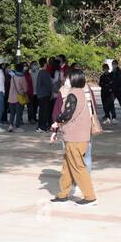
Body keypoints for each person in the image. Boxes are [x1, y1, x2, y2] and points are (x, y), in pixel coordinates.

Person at [51, 69, 97, 206]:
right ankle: (63, 194)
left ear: (73, 79)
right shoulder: (82, 92)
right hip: (80, 136)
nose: (66, 80)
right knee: (67, 166)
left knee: (78, 167)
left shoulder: (73, 94)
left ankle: (90, 196)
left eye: (68, 78)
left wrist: (57, 121)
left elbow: (67, 113)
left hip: (75, 137)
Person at [35, 57, 55, 131]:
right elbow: (48, 84)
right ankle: (42, 126)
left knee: (42, 111)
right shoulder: (44, 73)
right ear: (44, 64)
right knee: (44, 111)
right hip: (44, 94)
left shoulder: (41, 72)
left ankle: (41, 126)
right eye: (46, 62)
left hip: (41, 94)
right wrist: (51, 92)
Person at [8, 62, 28, 130]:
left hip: (11, 97)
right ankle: (17, 126)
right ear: (22, 69)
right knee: (19, 113)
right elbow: (25, 89)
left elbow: (8, 70)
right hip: (19, 98)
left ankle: (10, 125)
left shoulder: (12, 75)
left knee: (12, 112)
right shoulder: (22, 77)